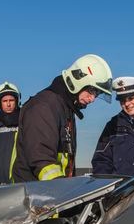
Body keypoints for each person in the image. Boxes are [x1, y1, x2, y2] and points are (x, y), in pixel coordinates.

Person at [13, 54, 113, 182]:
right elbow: (42, 160)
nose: (92, 99)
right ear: (79, 79)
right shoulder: (44, 107)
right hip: (37, 194)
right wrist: (62, 189)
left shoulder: (66, 108)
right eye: (91, 91)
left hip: (52, 192)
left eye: (97, 94)